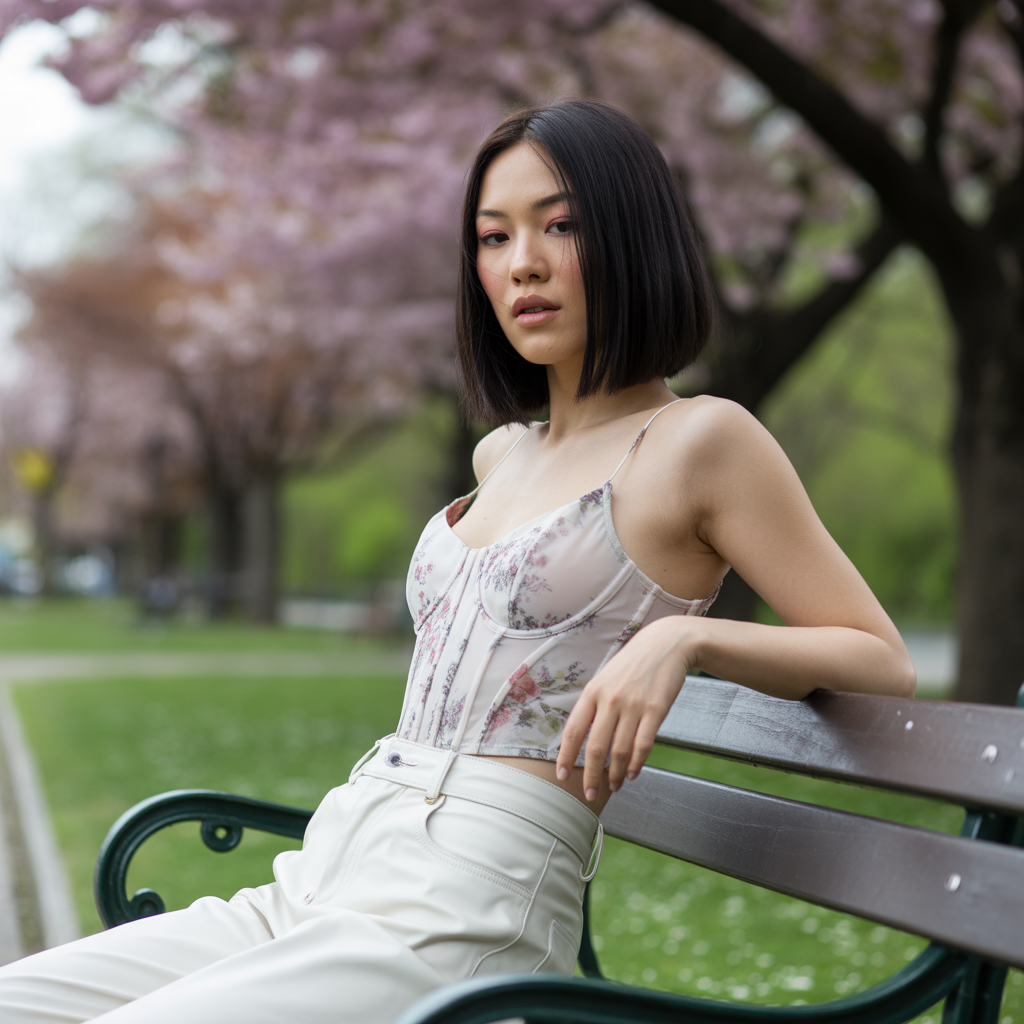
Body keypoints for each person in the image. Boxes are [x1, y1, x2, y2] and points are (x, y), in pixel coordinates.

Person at [0, 100, 915, 1024]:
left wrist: (684, 637)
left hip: (464, 911)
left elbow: (881, 658)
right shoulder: (501, 454)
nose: (523, 262)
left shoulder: (700, 442)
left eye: (561, 225)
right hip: (328, 867)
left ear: (634, 237)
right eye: (493, 236)